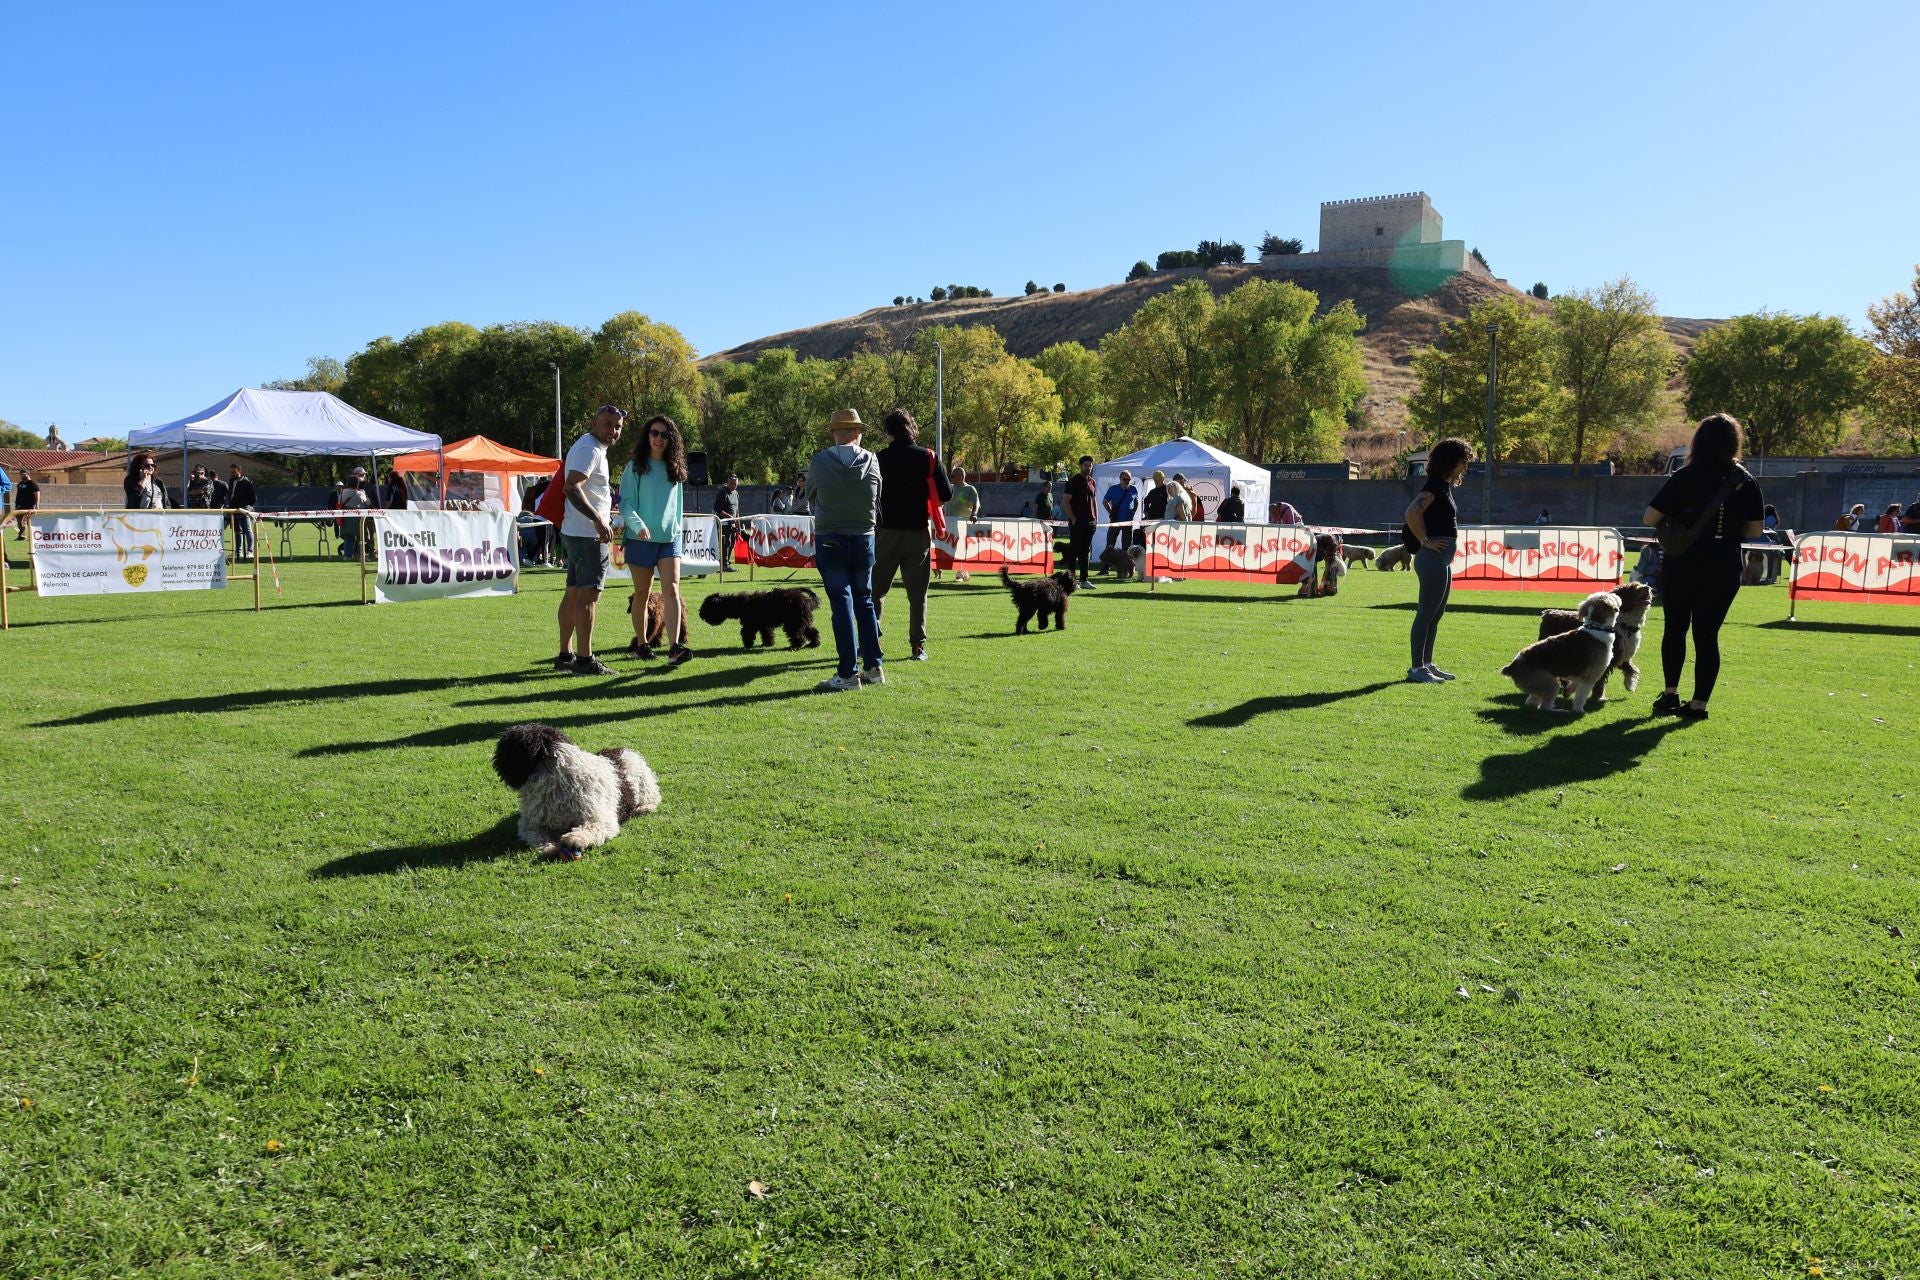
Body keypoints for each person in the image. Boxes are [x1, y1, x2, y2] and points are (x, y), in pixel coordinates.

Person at [1643, 413, 1765, 721]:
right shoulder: (1745, 481)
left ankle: (1670, 694)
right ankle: (1699, 704)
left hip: (1682, 563)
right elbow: (1754, 531)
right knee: (1707, 636)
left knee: (1675, 628)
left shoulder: (1684, 476)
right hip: (1723, 565)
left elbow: (1649, 518)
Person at [805, 409, 883, 692]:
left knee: (842, 605)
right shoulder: (873, 460)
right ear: (857, 432)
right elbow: (878, 496)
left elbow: (809, 494)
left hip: (831, 538)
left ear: (835, 432)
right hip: (865, 538)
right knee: (865, 600)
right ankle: (874, 666)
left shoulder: (821, 460)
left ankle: (848, 672)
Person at [871, 408, 951, 662]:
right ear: (912, 427)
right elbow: (946, 493)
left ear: (889, 432)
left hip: (886, 533)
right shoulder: (928, 457)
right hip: (917, 534)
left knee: (876, 592)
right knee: (917, 595)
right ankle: (918, 646)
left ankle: (872, 643)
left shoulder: (879, 458)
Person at [553, 405, 625, 676]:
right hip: (588, 535)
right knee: (588, 597)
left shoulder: (588, 446)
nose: (613, 431)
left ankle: (565, 655)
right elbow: (571, 487)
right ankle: (584, 659)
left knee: (573, 593)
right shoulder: (591, 449)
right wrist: (597, 518)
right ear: (594, 422)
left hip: (575, 531)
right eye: (607, 424)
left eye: (617, 426)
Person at [618, 414, 693, 667]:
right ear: (647, 436)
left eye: (664, 434)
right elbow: (626, 503)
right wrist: (638, 526)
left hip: (669, 539)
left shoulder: (676, 469)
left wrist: (676, 531)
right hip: (640, 539)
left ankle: (675, 648)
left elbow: (677, 507)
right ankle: (642, 643)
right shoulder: (635, 466)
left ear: (672, 438)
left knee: (672, 589)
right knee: (642, 593)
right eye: (654, 433)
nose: (658, 438)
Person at [1400, 436, 1474, 684]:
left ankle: (1427, 664)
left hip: (1441, 560)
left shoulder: (1443, 486)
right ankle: (1416, 669)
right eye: (1463, 462)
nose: (1465, 467)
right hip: (1431, 559)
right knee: (1425, 613)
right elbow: (1412, 512)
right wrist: (1425, 541)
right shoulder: (1433, 487)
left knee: (1436, 614)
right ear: (1451, 461)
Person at [1064, 454, 1098, 588]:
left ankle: (1084, 580)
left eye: (1090, 466)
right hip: (1077, 522)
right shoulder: (1073, 481)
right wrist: (1073, 518)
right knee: (1074, 551)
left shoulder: (1092, 482)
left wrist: (1096, 518)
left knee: (1085, 552)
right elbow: (1066, 501)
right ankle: (1071, 581)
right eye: (1086, 465)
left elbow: (1094, 501)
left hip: (1090, 522)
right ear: (1080, 466)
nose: (1088, 468)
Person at [943, 464, 979, 581]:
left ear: (961, 477)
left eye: (953, 476)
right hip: (948, 523)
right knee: (945, 547)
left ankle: (961, 573)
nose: (951, 478)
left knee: (960, 548)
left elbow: (976, 504)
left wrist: (974, 514)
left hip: (962, 525)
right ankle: (937, 567)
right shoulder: (950, 487)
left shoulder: (970, 489)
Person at [1101, 469, 1138, 559]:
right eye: (1125, 479)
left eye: (1128, 479)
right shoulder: (1113, 489)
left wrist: (1133, 512)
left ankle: (1127, 566)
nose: (1127, 481)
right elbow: (1105, 502)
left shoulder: (1133, 489)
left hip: (1128, 521)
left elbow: (1136, 502)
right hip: (1115, 520)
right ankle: (1106, 567)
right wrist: (1111, 512)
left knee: (1127, 545)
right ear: (1120, 478)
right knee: (1110, 544)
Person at [227, 462, 255, 559]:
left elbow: (253, 498)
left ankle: (250, 551)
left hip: (244, 509)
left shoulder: (247, 482)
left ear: (240, 471)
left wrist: (248, 507)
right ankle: (238, 552)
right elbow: (230, 495)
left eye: (234, 472)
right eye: (231, 472)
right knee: (237, 532)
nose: (232, 474)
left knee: (247, 530)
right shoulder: (231, 481)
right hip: (233, 510)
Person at [713, 472, 740, 570]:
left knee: (732, 542)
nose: (733, 486)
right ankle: (723, 564)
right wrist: (730, 518)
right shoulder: (722, 492)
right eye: (731, 484)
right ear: (727, 483)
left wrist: (738, 523)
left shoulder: (736, 493)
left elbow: (737, 510)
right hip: (723, 522)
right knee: (726, 542)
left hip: (732, 523)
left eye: (735, 484)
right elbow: (718, 510)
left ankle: (726, 563)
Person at [14, 470, 40, 538]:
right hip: (19, 506)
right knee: (19, 521)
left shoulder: (32, 483)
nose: (21, 475)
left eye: (23, 474)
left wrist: (37, 505)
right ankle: (21, 535)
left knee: (30, 522)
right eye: (20, 474)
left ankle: (33, 536)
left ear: (28, 474)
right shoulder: (20, 483)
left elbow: (37, 494)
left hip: (29, 506)